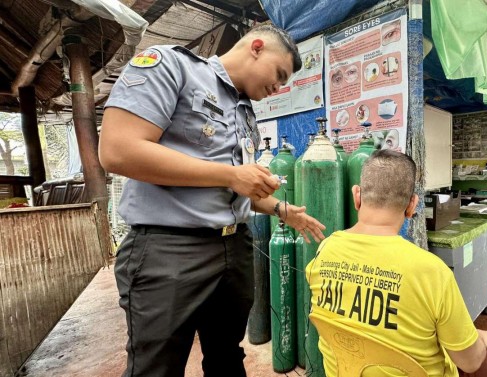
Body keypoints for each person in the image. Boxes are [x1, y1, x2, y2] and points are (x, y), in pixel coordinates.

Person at [99, 24, 326, 377]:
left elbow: (239, 190)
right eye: (279, 75)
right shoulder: (172, 66)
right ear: (256, 47)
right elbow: (118, 150)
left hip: (234, 248)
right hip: (170, 251)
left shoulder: (245, 112)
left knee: (226, 356)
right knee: (156, 366)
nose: (278, 87)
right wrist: (232, 175)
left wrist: (281, 209)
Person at [306, 150, 487, 377]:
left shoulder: (324, 251)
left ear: (357, 196)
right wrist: (477, 337)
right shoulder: (432, 272)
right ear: (412, 205)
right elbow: (470, 362)